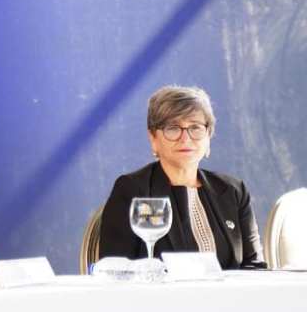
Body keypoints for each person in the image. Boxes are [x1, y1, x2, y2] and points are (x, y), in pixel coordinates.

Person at [99, 85, 266, 269]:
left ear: (208, 135)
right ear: (153, 137)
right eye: (172, 128)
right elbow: (117, 271)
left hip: (231, 298)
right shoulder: (134, 190)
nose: (185, 138)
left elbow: (255, 267)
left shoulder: (233, 191)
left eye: (195, 127)